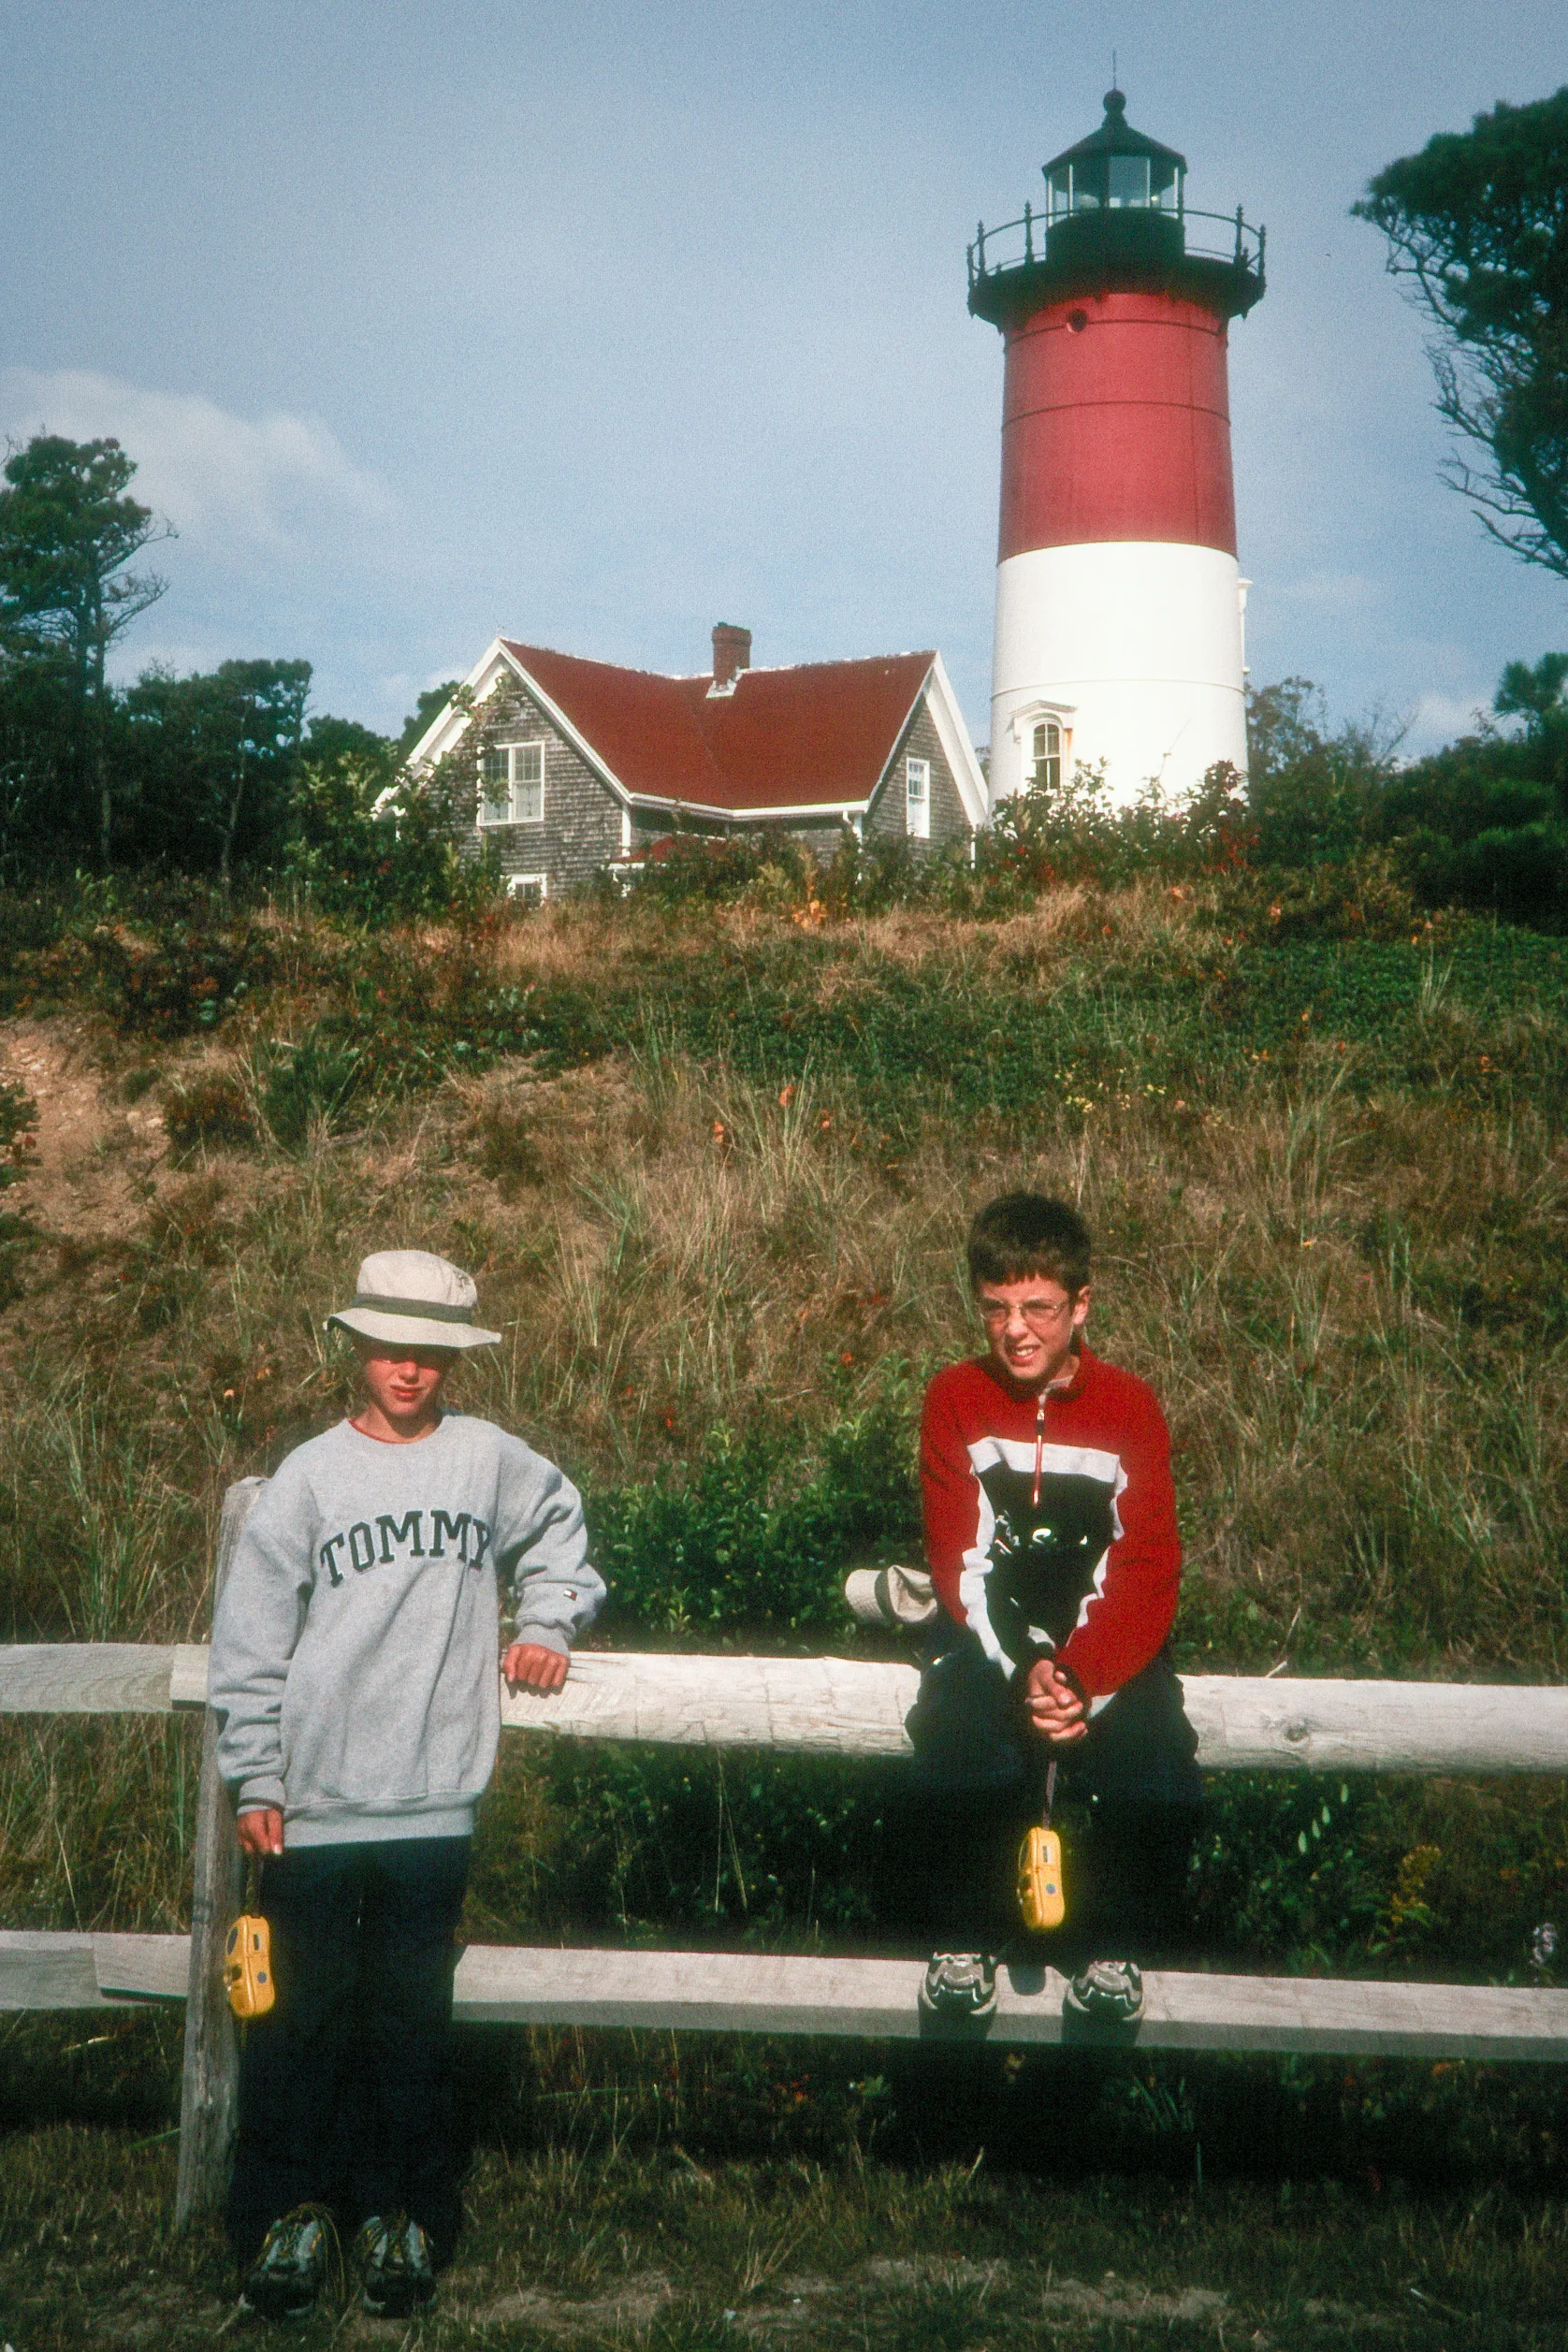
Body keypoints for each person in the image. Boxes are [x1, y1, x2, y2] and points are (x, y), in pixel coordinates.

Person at [210, 1248, 604, 2323]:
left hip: (434, 1801)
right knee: (299, 2021)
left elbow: (562, 1532)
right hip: (315, 1807)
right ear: (355, 1347)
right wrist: (257, 1774)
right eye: (388, 1347)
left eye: (429, 1352)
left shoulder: (485, 1461)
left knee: (407, 2023)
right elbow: (248, 1644)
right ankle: (286, 2217)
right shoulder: (308, 1477)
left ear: (452, 1360)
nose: (407, 1369)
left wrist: (544, 1621)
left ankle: (400, 2217)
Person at [906, 1192, 1202, 2025]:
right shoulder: (954, 1399)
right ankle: (963, 1938)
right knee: (956, 1723)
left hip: (1105, 1636)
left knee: (1153, 1743)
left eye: (1038, 1307)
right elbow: (960, 1560)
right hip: (992, 1632)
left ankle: (1117, 1945)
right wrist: (1028, 1667)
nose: (1017, 1330)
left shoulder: (1130, 1406)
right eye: (996, 1308)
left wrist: (1084, 1678)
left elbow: (1146, 1561)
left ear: (1081, 1305)